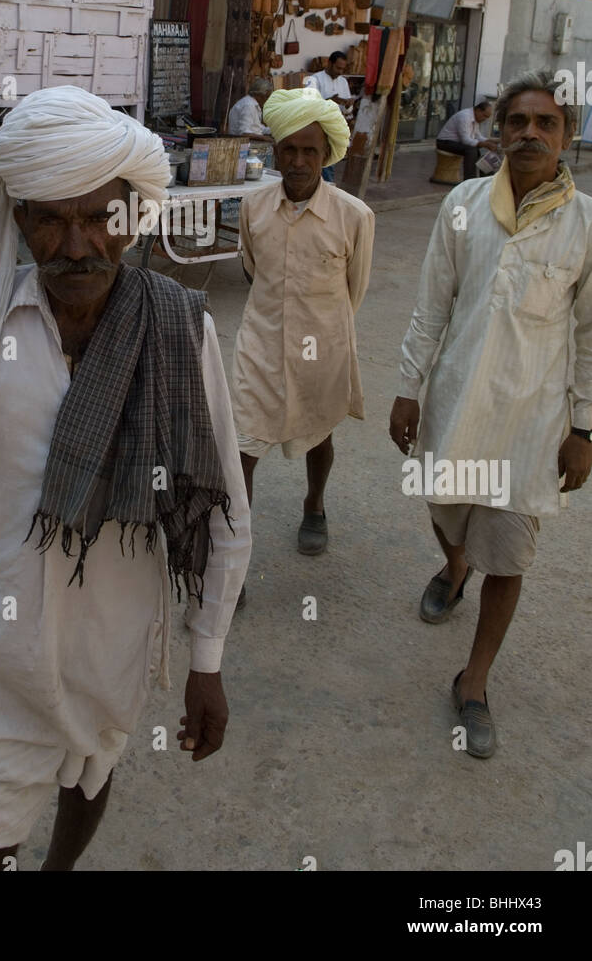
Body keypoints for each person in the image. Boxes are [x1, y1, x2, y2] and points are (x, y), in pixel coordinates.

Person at [0, 86, 251, 871]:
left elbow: (222, 507)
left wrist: (207, 661)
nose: (76, 245)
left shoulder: (178, 326)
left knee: (90, 772)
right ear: (19, 220)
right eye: (50, 220)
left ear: (133, 219)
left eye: (100, 217)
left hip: (112, 641)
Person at [389, 71, 592, 759]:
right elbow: (432, 305)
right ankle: (453, 567)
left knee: (506, 553)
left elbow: (590, 334)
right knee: (443, 510)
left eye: (546, 123)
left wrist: (584, 430)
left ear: (566, 136)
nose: (530, 133)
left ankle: (472, 681)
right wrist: (408, 386)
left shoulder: (585, 223)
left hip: (531, 423)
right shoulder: (463, 206)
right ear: (495, 131)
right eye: (517, 122)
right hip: (453, 404)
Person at [231, 86, 374, 590]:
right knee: (243, 446)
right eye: (288, 149)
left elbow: (355, 288)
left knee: (319, 431)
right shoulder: (254, 208)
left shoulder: (354, 215)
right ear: (274, 151)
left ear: (325, 154)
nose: (297, 161)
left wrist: (320, 330)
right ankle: (235, 554)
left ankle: (314, 505)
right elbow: (253, 268)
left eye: (309, 151)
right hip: (261, 342)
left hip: (322, 346)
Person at [305, 51, 355, 182]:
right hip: (319, 127)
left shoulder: (343, 81)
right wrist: (328, 101)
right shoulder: (314, 79)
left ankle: (326, 188)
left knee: (331, 160)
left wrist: (348, 104)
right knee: (323, 162)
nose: (340, 71)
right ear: (329, 63)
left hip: (335, 127)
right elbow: (307, 104)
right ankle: (325, 188)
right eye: (338, 68)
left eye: (342, 69)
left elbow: (347, 110)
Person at [436, 99, 498, 181]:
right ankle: (469, 180)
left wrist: (491, 141)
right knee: (471, 150)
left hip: (457, 142)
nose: (484, 119)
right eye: (484, 116)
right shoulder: (465, 117)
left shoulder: (475, 119)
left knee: (478, 151)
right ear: (478, 110)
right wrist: (485, 144)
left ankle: (487, 178)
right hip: (444, 142)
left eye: (487, 117)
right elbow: (465, 140)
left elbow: (478, 136)